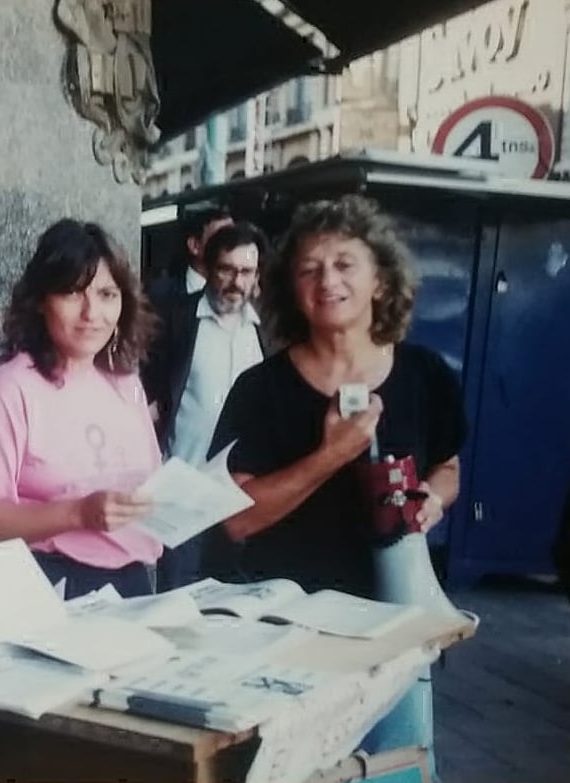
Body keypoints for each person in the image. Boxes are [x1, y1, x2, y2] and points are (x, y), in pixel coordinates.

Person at [203, 195, 466, 781]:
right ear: (290, 288)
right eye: (309, 268)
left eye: (345, 263)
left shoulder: (425, 376)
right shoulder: (261, 389)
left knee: (395, 770)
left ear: (381, 280)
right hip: (289, 637)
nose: (327, 281)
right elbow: (237, 518)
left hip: (396, 629)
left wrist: (433, 499)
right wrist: (332, 455)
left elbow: (448, 467)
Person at [0, 219, 160, 600]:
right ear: (40, 301)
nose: (92, 312)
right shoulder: (8, 390)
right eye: (73, 293)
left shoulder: (126, 384)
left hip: (133, 583)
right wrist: (77, 513)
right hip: (50, 585)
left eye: (107, 294)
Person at [143, 222, 271, 590]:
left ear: (256, 276)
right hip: (183, 491)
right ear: (208, 269)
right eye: (227, 269)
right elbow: (146, 396)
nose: (236, 281)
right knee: (177, 597)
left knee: (231, 600)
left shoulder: (266, 330)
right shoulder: (176, 320)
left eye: (246, 271)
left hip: (238, 496)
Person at [146, 205, 233, 310]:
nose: (232, 248)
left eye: (233, 240)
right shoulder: (159, 294)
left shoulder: (240, 292)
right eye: (221, 239)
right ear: (194, 246)